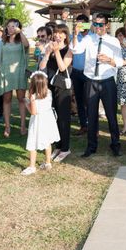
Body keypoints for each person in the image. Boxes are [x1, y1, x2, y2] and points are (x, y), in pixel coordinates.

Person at [72, 13, 124, 157]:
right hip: (91, 80)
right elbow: (76, 50)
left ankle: (115, 144)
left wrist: (109, 60)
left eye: (101, 24)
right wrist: (76, 35)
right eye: (95, 24)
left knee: (111, 115)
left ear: (107, 25)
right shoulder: (88, 38)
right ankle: (91, 146)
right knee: (91, 114)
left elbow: (119, 62)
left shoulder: (113, 41)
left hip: (107, 81)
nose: (98, 27)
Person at [39, 24, 74, 162]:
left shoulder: (69, 49)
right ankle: (57, 146)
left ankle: (65, 148)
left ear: (65, 35)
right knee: (53, 117)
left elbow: (62, 66)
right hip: (50, 86)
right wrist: (48, 53)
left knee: (64, 118)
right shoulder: (50, 47)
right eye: (55, 33)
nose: (57, 36)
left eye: (60, 33)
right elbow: (42, 67)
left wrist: (57, 51)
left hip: (63, 87)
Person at [21, 71, 61, 175]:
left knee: (33, 143)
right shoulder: (49, 92)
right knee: (47, 141)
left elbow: (33, 112)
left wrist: (27, 103)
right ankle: (48, 162)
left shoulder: (34, 97)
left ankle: (32, 166)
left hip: (38, 122)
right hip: (48, 120)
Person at [0, 19, 30, 137]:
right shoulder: (3, 42)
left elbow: (27, 45)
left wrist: (20, 33)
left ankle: (23, 125)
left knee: (21, 99)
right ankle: (7, 126)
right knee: (7, 99)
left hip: (19, 72)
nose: (11, 28)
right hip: (6, 73)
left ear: (18, 27)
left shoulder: (21, 40)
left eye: (14, 26)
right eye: (9, 26)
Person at [70, 14, 90, 135]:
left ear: (87, 24)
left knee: (90, 100)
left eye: (82, 23)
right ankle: (83, 125)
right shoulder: (73, 37)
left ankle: (92, 125)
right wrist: (76, 34)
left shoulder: (92, 37)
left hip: (88, 73)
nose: (79, 26)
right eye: (77, 23)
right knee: (79, 100)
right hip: (76, 72)